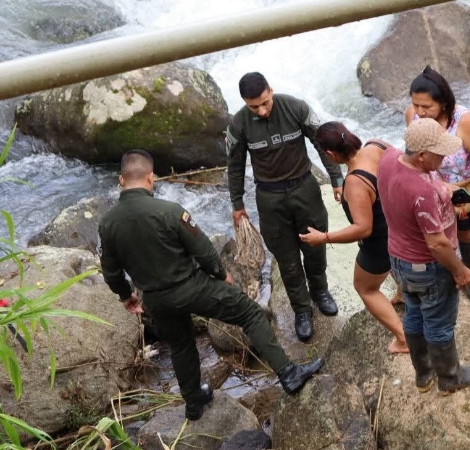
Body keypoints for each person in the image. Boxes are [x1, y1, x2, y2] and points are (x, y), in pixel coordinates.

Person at [98, 150, 323, 421]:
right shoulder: (170, 211)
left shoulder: (107, 223)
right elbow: (202, 249)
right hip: (192, 288)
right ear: (151, 178)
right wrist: (219, 273)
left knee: (181, 345)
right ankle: (289, 373)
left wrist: (127, 296)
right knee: (250, 314)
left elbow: (111, 272)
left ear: (122, 180)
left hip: (156, 300)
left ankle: (193, 402)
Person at [226, 72, 342, 342]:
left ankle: (320, 292)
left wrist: (337, 179)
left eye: (265, 102)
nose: (263, 110)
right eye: (255, 106)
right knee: (287, 259)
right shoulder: (239, 124)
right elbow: (234, 165)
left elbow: (322, 141)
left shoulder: (295, 107)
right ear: (245, 102)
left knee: (315, 246)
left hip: (305, 189)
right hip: (270, 197)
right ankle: (301, 310)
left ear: (271, 91)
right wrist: (237, 203)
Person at [379, 118, 470, 396]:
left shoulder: (389, 158)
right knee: (439, 323)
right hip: (428, 268)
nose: (445, 157)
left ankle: (424, 374)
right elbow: (437, 244)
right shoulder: (422, 191)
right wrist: (460, 271)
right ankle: (450, 378)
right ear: (421, 155)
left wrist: (446, 190)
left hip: (398, 260)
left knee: (414, 313)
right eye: (439, 153)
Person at [299, 121, 408, 354]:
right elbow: (404, 168)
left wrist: (324, 237)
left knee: (365, 287)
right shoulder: (377, 144)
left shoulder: (356, 182)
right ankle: (402, 294)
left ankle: (403, 338)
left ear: (329, 154)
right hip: (401, 226)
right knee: (397, 262)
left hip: (380, 242)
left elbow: (363, 229)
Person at [405, 66, 470, 303]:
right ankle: (448, 274)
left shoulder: (464, 121)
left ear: (442, 103)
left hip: (461, 187)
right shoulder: (413, 116)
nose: (420, 112)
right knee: (436, 235)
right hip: (431, 185)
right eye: (416, 105)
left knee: (466, 231)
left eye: (427, 107)